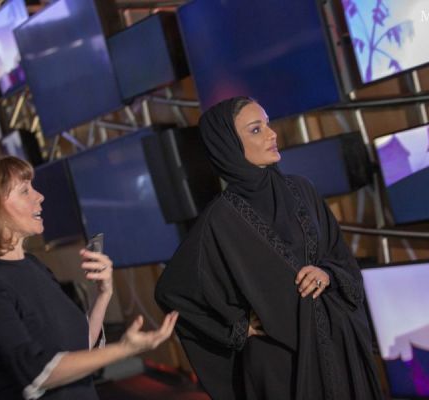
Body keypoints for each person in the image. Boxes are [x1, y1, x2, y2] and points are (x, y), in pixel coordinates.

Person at [155, 97, 383, 400]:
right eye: (255, 129)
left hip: (337, 347)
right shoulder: (219, 220)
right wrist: (238, 328)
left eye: (267, 124)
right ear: (229, 145)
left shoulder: (301, 189)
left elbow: (339, 255)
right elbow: (173, 292)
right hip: (281, 369)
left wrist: (327, 273)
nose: (271, 134)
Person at [0, 155, 178, 400]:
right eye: (25, 191)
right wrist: (124, 349)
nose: (39, 196)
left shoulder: (33, 265)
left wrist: (104, 294)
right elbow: (38, 372)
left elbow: (80, 348)